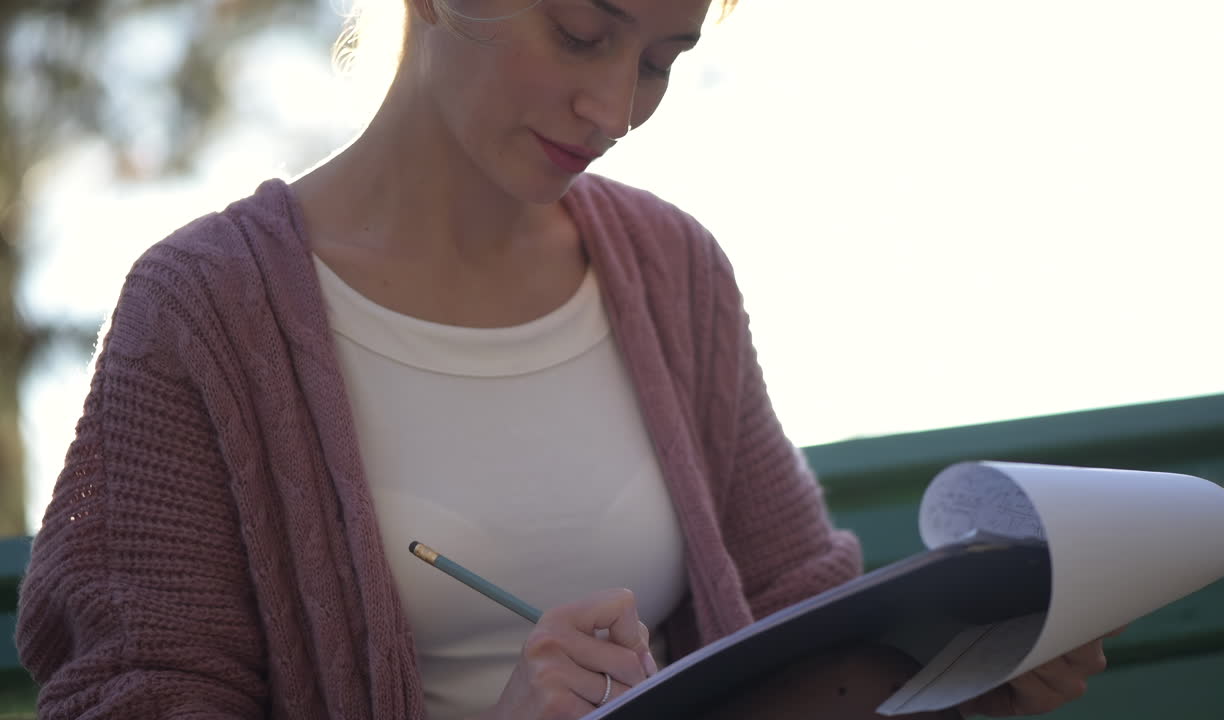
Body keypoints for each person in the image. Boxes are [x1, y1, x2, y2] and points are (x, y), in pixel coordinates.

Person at [16, 0, 1112, 718]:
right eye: (584, 31)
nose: (617, 108)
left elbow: (793, 620)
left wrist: (962, 683)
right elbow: (139, 696)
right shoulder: (203, 311)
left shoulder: (671, 270)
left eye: (661, 60)